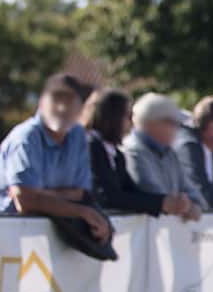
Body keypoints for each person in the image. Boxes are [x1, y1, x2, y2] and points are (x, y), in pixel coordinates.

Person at [0, 74, 112, 253]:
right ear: (41, 102)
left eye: (70, 101)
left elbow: (79, 193)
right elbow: (25, 202)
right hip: (2, 236)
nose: (62, 107)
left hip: (45, 240)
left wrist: (41, 195)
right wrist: (81, 211)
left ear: (81, 108)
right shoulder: (26, 137)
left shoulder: (77, 135)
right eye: (56, 98)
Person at [84, 88, 198, 221]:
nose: (132, 122)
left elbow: (131, 191)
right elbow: (108, 196)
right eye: (128, 116)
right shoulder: (91, 146)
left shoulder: (115, 154)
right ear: (113, 116)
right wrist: (162, 203)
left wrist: (168, 201)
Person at [124, 92, 213, 210]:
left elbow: (197, 198)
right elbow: (155, 195)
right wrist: (180, 205)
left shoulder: (169, 154)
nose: (178, 129)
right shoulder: (133, 151)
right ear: (153, 123)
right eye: (173, 123)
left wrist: (188, 205)